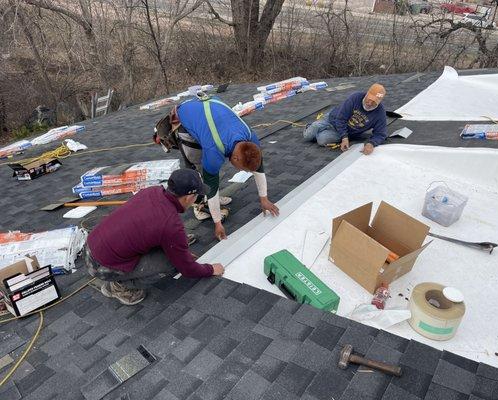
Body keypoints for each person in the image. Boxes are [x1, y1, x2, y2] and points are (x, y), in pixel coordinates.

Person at [84, 169, 225, 306]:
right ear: (188, 197)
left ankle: (120, 276)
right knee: (172, 264)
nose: (196, 199)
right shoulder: (170, 224)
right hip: (101, 266)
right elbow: (187, 269)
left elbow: (149, 228)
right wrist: (210, 269)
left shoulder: (152, 191)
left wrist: (181, 251)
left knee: (172, 251)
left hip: (92, 245)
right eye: (196, 196)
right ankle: (118, 286)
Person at [154, 95, 279, 241]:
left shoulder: (252, 140)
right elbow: (211, 187)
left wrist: (264, 199)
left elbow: (259, 169)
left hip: (209, 116)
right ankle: (199, 203)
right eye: (243, 169)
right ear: (236, 158)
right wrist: (217, 223)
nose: (242, 171)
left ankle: (210, 202)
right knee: (198, 169)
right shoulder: (214, 151)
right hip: (186, 119)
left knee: (208, 165)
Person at [303, 83, 387, 155]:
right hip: (332, 119)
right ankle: (313, 127)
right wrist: (344, 138)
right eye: (369, 99)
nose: (370, 103)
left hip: (344, 132)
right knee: (308, 136)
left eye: (374, 102)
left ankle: (320, 130)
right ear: (367, 94)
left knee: (322, 140)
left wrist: (371, 144)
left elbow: (380, 134)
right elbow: (341, 119)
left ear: (379, 102)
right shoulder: (355, 98)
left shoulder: (380, 113)